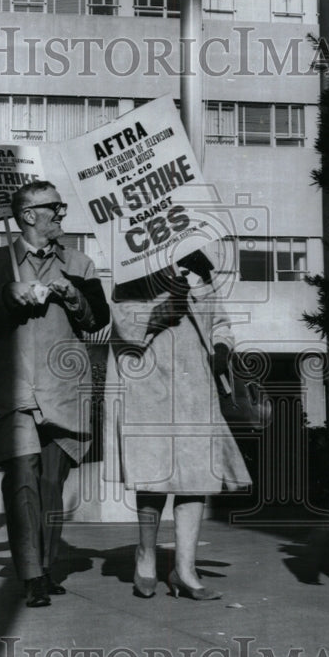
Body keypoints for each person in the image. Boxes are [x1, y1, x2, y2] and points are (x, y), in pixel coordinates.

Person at [0, 181, 109, 607]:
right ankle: (32, 574)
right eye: (55, 208)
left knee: (51, 482)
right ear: (28, 215)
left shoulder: (79, 263)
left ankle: (44, 565)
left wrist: (73, 297)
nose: (61, 215)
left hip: (63, 390)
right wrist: (5, 295)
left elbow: (97, 321)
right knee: (24, 479)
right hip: (13, 389)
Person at [107, 248, 251, 601]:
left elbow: (220, 323)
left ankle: (185, 569)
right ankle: (146, 557)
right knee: (154, 475)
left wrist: (221, 347)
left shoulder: (200, 268)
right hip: (150, 384)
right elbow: (126, 326)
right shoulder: (133, 272)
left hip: (195, 386)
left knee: (196, 476)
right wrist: (166, 304)